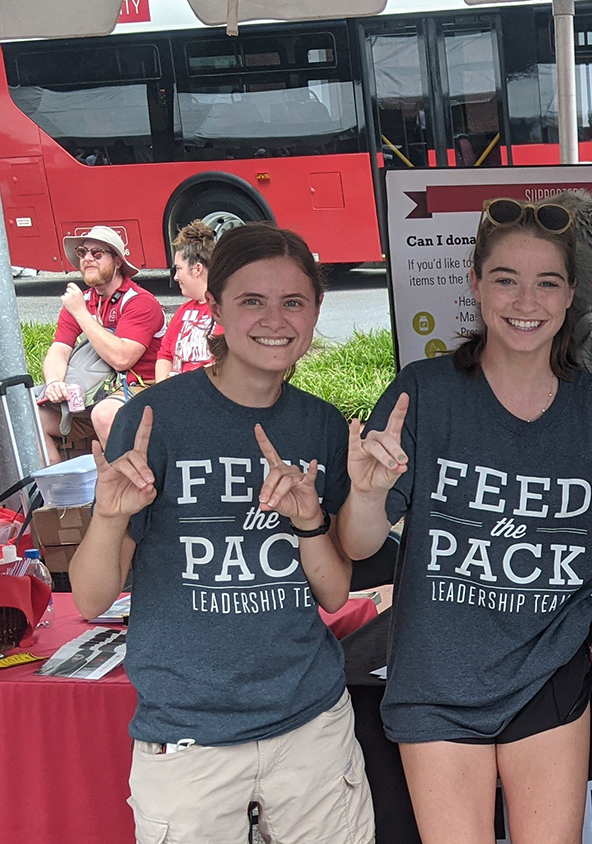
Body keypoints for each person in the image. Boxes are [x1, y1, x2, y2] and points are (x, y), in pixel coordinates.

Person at [339, 197, 592, 844]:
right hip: (436, 681)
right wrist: (366, 497)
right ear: (476, 285)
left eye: (546, 283)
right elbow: (359, 541)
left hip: (548, 678)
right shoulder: (423, 393)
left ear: (569, 298)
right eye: (506, 279)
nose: (525, 301)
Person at [68, 223, 373, 844]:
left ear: (316, 310)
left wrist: (309, 521)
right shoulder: (156, 419)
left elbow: (336, 594)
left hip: (311, 726)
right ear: (216, 307)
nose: (275, 320)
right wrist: (108, 516)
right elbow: (91, 599)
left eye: (294, 302)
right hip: (187, 735)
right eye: (252, 300)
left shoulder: (318, 425)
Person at [38, 225, 164, 455]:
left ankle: (131, 488)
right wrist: (54, 382)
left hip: (140, 388)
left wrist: (81, 313)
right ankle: (51, 491)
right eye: (82, 253)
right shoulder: (81, 301)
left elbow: (122, 359)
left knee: (104, 414)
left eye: (97, 254)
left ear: (117, 262)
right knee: (28, 420)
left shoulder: (140, 302)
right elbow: (58, 350)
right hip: (92, 392)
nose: (87, 259)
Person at [155, 220, 220, 380]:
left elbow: (227, 364)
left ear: (197, 269)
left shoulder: (226, 312)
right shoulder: (182, 312)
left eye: (178, 269)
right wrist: (163, 390)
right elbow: (164, 356)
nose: (175, 277)